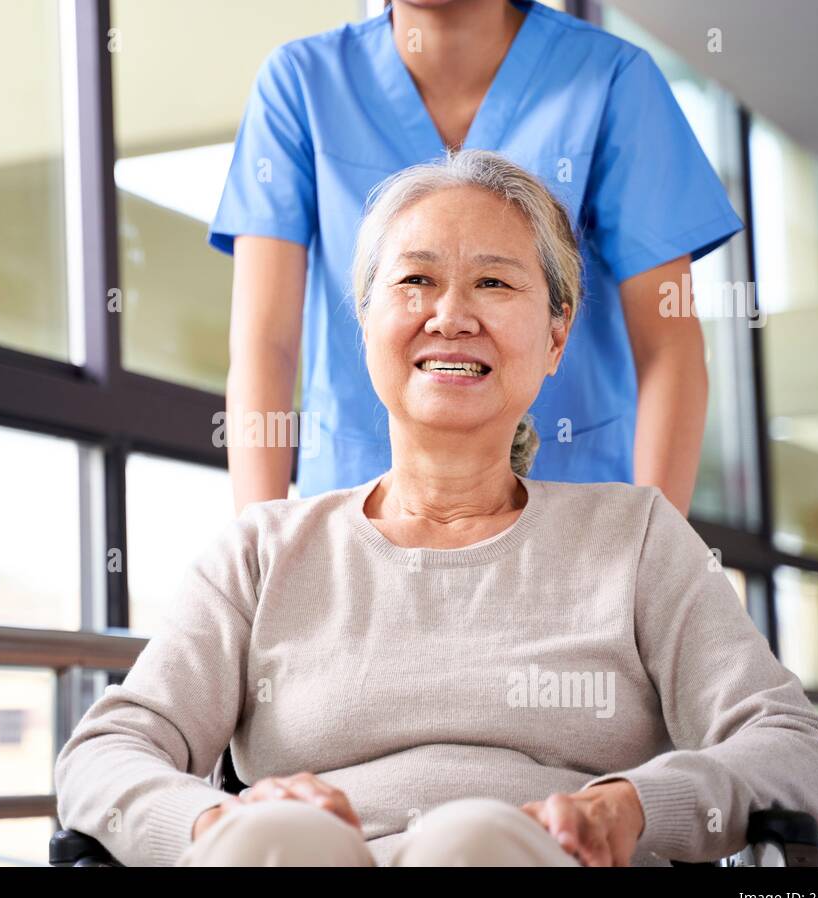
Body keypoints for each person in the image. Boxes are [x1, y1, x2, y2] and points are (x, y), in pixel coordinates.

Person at [53, 152, 818, 867]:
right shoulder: (264, 552)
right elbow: (106, 752)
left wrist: (633, 805)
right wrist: (211, 823)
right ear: (366, 322)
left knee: (475, 841)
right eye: (415, 280)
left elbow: (797, 748)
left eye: (495, 283)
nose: (451, 315)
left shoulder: (634, 537)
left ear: (556, 337)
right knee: (276, 840)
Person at [211, 0, 742, 516]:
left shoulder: (611, 80)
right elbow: (266, 345)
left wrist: (653, 556)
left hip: (574, 506)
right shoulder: (302, 83)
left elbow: (669, 347)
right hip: (357, 510)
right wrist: (261, 558)